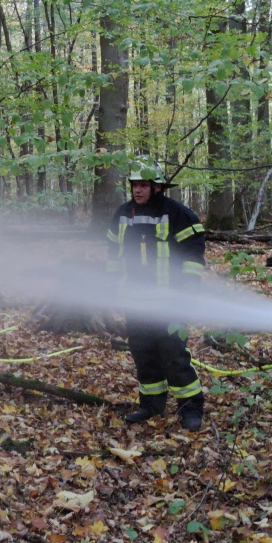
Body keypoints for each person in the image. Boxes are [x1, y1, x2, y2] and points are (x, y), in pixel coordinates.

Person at [108, 158, 208, 431]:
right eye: (134, 185)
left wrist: (187, 289)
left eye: (143, 185)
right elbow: (113, 256)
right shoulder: (122, 216)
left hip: (168, 303)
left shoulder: (177, 214)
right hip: (135, 302)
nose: (137, 191)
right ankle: (151, 405)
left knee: (174, 356)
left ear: (157, 187)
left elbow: (193, 254)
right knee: (144, 355)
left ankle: (191, 408)